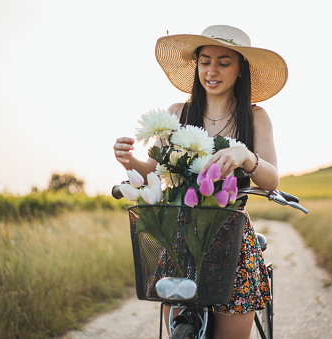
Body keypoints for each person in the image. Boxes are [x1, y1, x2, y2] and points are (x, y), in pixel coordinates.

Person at [113, 24, 288, 339]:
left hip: (232, 238)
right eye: (205, 61)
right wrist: (129, 161)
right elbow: (152, 174)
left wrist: (246, 157)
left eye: (224, 62)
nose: (212, 70)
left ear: (240, 69)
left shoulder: (255, 117)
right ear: (196, 66)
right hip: (181, 236)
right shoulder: (177, 113)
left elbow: (272, 179)